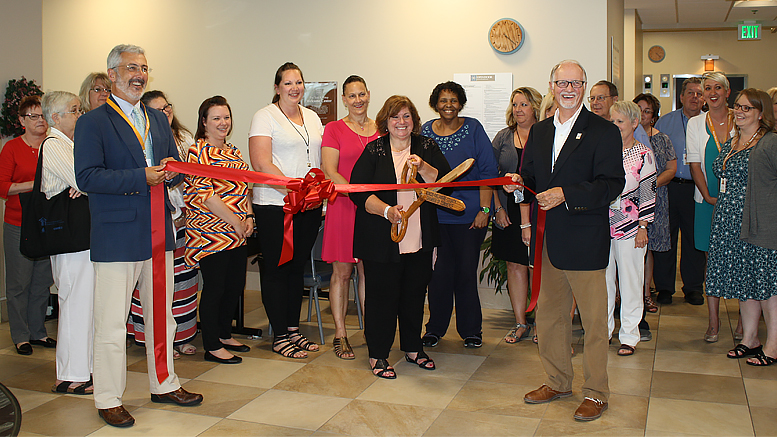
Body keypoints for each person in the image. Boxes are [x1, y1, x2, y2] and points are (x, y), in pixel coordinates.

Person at [74, 44, 202, 428]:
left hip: (159, 233)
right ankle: (109, 397)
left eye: (144, 68)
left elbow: (168, 169)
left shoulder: (157, 119)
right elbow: (88, 177)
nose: (139, 75)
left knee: (161, 318)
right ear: (112, 74)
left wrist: (177, 169)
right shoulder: (93, 122)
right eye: (131, 68)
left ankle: (165, 383)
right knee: (112, 323)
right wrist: (140, 177)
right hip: (117, 237)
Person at [506, 60, 624, 421]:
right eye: (562, 82)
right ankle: (557, 381)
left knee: (593, 322)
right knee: (550, 318)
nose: (568, 88)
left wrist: (566, 194)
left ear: (585, 86)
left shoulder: (603, 131)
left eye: (576, 82)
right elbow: (529, 177)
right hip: (548, 241)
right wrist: (516, 184)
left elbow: (611, 184)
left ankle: (596, 393)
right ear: (552, 85)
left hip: (585, 240)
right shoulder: (540, 131)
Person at [350, 95, 451, 378]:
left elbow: (444, 186)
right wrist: (386, 211)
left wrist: (423, 168)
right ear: (385, 121)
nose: (401, 122)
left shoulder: (426, 146)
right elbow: (356, 193)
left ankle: (413, 348)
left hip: (419, 237)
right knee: (382, 298)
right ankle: (378, 354)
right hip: (381, 239)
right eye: (395, 117)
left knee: (414, 295)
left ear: (414, 121)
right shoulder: (374, 151)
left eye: (406, 117)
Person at [248, 62, 323, 359]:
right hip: (276, 206)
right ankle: (279, 335)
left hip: (309, 205)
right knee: (278, 269)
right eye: (288, 83)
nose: (295, 88)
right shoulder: (264, 117)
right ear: (277, 87)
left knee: (297, 269)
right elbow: (261, 163)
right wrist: (293, 190)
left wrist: (311, 193)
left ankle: (293, 329)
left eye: (299, 82)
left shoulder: (313, 117)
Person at [421, 81, 498, 349]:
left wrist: (485, 210)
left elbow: (488, 172)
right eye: (443, 100)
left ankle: (471, 331)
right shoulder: (425, 131)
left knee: (465, 273)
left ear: (461, 103)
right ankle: (434, 329)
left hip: (469, 217)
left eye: (453, 100)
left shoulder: (473, 128)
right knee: (438, 276)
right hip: (435, 217)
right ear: (435, 103)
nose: (448, 106)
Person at [707, 89, 777, 365]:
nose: (739, 111)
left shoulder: (770, 143)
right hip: (728, 222)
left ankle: (772, 346)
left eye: (746, 108)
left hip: (758, 224)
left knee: (766, 285)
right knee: (744, 281)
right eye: (737, 106)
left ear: (761, 113)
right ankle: (750, 339)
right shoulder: (732, 142)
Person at [126, 91, 199, 358]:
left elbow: (193, 179)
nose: (164, 113)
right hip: (154, 220)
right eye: (156, 110)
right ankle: (151, 338)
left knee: (182, 282)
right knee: (151, 283)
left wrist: (186, 211)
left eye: (167, 107)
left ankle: (182, 336)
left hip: (183, 221)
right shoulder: (139, 140)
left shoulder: (185, 138)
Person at [184, 96, 253, 364]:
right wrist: (235, 221)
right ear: (204, 122)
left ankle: (225, 333)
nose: (223, 123)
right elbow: (207, 195)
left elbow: (245, 186)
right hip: (210, 234)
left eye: (226, 117)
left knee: (234, 285)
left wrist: (247, 217)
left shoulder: (234, 152)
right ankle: (211, 344)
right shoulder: (196, 152)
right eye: (216, 118)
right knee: (215, 288)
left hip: (238, 233)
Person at [40, 91, 94, 394]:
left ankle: (82, 369)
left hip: (82, 237)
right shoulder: (54, 144)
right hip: (69, 239)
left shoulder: (72, 144)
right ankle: (71, 374)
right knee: (74, 302)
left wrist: (85, 185)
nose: (80, 115)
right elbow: (85, 179)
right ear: (56, 117)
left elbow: (87, 180)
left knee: (85, 302)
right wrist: (85, 186)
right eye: (74, 110)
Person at [320, 75, 376, 359]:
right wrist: (356, 196)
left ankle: (371, 331)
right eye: (352, 96)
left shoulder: (381, 129)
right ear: (344, 99)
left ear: (369, 95)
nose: (358, 100)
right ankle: (340, 334)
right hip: (344, 206)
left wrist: (371, 202)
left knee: (369, 271)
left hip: (373, 210)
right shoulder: (334, 129)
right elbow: (329, 170)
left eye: (361, 94)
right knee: (342, 273)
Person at [0, 95, 56, 356]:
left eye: (43, 115)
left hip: (47, 224)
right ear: (22, 120)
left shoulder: (53, 145)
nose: (40, 121)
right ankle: (20, 335)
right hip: (18, 224)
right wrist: (36, 186)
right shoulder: (12, 148)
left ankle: (38, 331)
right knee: (19, 283)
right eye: (33, 116)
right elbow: (4, 188)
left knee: (42, 281)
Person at [687, 72, 736, 341]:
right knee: (712, 263)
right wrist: (707, 196)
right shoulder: (695, 123)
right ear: (702, 94)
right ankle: (713, 321)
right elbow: (695, 163)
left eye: (718, 87)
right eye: (708, 88)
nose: (713, 92)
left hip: (738, 202)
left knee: (741, 260)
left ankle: (743, 321)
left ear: (727, 92)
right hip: (707, 201)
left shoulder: (739, 119)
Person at [491, 86, 542, 343]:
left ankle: (543, 324)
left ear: (535, 106)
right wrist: (497, 208)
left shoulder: (546, 134)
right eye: (515, 104)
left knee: (539, 268)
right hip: (508, 212)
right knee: (515, 265)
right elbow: (490, 176)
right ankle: (521, 322)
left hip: (538, 210)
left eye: (523, 104)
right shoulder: (503, 136)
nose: (518, 109)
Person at [606, 101, 657, 356]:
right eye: (612, 121)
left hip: (632, 227)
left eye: (620, 122)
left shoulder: (644, 154)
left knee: (630, 281)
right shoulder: (604, 150)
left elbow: (648, 192)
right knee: (602, 283)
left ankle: (629, 336)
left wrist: (643, 226)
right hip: (601, 226)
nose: (615, 126)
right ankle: (603, 332)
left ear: (634, 123)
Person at [653, 77, 706, 306]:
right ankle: (664, 288)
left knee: (694, 240)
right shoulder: (666, 122)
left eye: (699, 93)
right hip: (670, 187)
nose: (695, 97)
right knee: (666, 237)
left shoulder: (710, 122)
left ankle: (693, 287)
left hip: (698, 188)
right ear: (681, 97)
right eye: (691, 93)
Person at [633, 93, 676, 315]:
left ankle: (647, 294)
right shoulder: (621, 135)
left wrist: (648, 185)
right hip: (628, 202)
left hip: (655, 199)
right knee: (629, 248)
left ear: (654, 116)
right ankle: (626, 294)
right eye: (637, 109)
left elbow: (671, 169)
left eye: (647, 110)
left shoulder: (662, 139)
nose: (642, 114)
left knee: (648, 247)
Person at [589, 80, 650, 148]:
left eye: (600, 98)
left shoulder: (633, 128)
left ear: (615, 100)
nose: (595, 102)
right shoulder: (588, 127)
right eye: (592, 98)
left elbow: (645, 155)